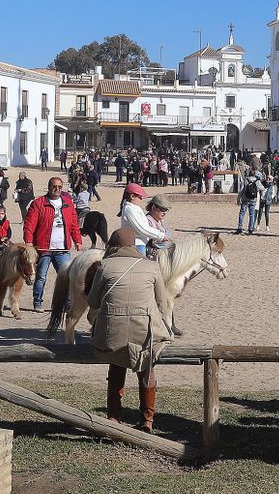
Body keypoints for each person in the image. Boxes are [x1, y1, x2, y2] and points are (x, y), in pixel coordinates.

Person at [90, 228, 173, 432]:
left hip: (113, 334)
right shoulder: (151, 267)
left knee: (117, 364)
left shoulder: (104, 266)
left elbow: (92, 301)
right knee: (147, 368)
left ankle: (113, 417)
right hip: (144, 332)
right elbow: (163, 304)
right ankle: (147, 420)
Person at [24, 176, 82, 311]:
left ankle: (67, 303)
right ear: (49, 187)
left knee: (66, 278)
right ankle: (37, 301)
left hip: (62, 248)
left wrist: (77, 240)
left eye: (60, 187)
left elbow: (73, 224)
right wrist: (28, 241)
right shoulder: (39, 203)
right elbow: (29, 224)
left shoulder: (68, 202)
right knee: (40, 277)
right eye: (54, 186)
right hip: (43, 247)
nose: (57, 189)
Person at [120, 183, 171, 254]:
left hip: (143, 242)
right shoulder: (129, 209)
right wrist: (160, 236)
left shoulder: (135, 208)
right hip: (136, 243)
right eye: (140, 197)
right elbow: (141, 228)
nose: (141, 198)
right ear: (132, 196)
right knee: (142, 263)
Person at [237, 168, 263, 235]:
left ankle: (240, 227)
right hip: (253, 199)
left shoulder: (245, 180)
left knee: (242, 213)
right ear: (254, 175)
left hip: (245, 199)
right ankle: (250, 228)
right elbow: (262, 188)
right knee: (252, 214)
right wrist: (261, 195)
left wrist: (238, 198)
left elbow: (241, 191)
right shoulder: (257, 181)